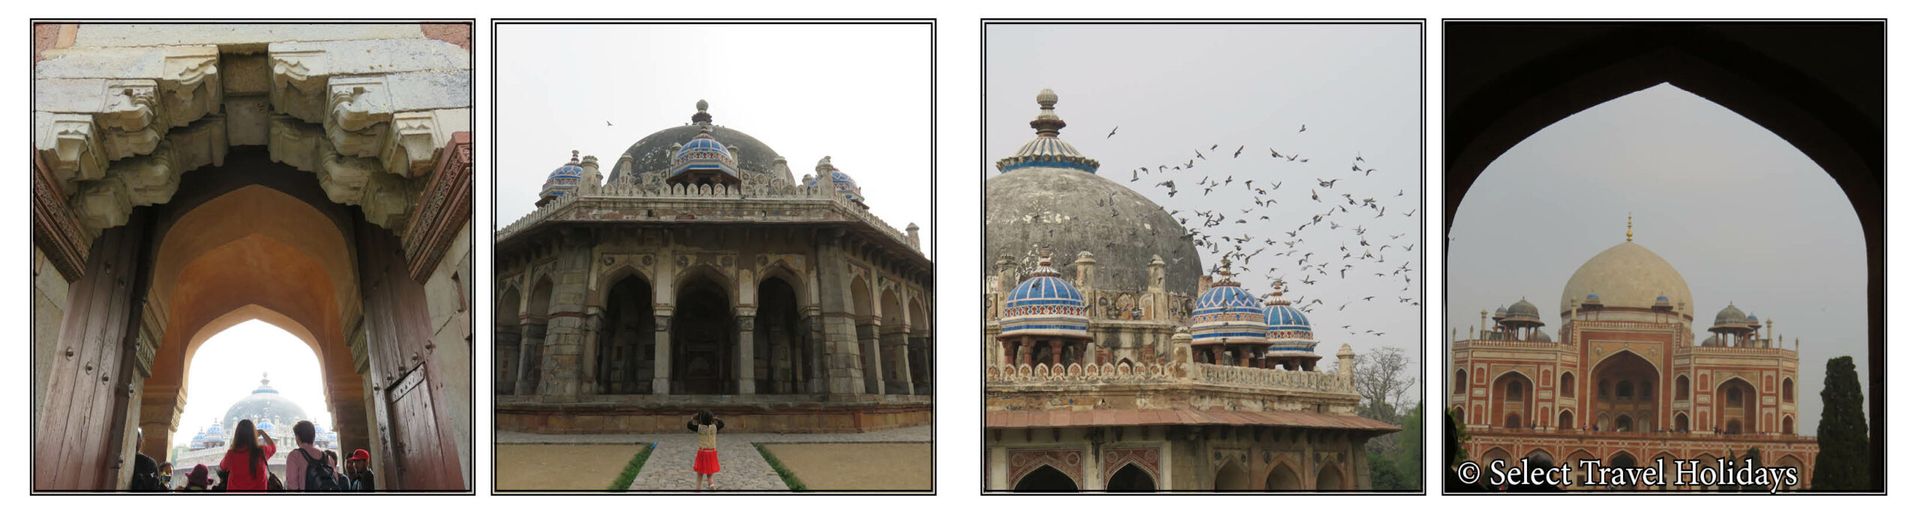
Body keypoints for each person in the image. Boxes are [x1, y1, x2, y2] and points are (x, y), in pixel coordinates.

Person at [217, 419, 276, 491]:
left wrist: (232, 447)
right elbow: (273, 447)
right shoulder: (261, 451)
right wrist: (262, 433)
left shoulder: (231, 454)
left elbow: (222, 466)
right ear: (254, 434)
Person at [283, 420, 340, 491]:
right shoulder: (328, 457)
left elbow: (292, 487)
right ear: (314, 436)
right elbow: (335, 481)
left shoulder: (294, 456)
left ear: (297, 437)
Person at [686, 410, 725, 491]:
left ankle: (698, 490)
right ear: (711, 419)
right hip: (712, 452)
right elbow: (722, 424)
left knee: (699, 475)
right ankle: (711, 485)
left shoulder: (699, 428)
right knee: (710, 474)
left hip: (702, 453)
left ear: (700, 419)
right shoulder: (714, 428)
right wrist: (715, 418)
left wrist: (693, 418)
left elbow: (689, 425)